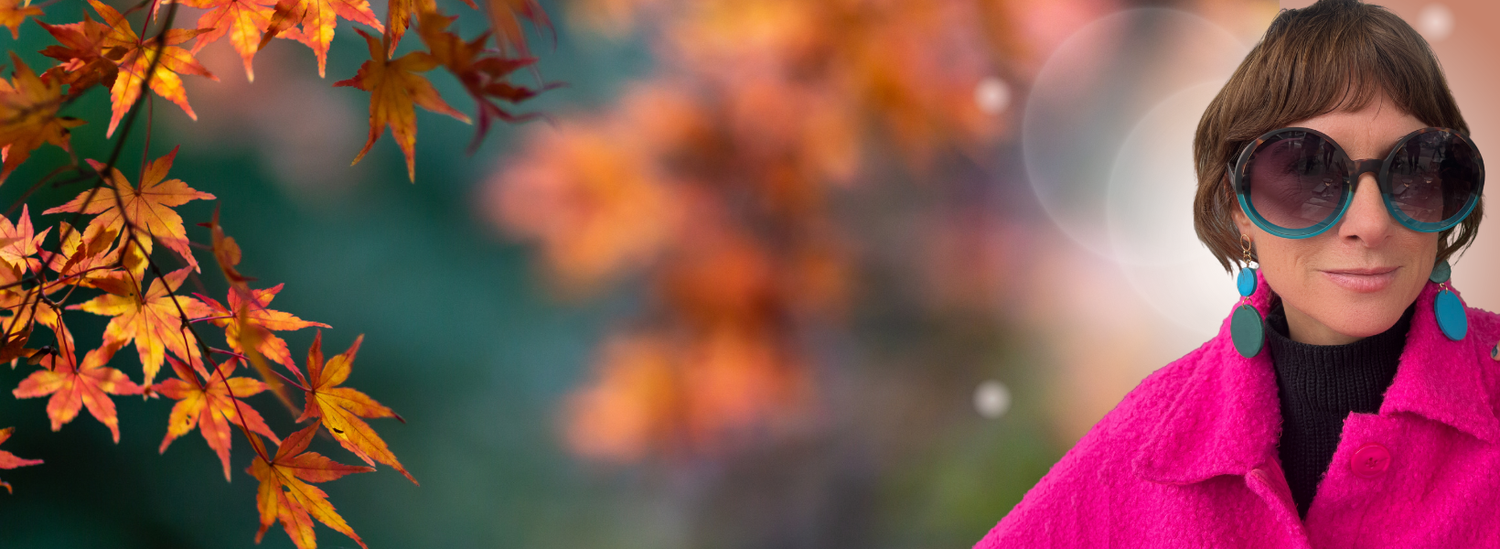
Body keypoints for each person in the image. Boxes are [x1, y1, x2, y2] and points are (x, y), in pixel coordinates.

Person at [975, 1, 1499, 546]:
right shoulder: (1147, 440)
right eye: (1308, 170)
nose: (1369, 224)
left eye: (1413, 169)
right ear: (1235, 205)